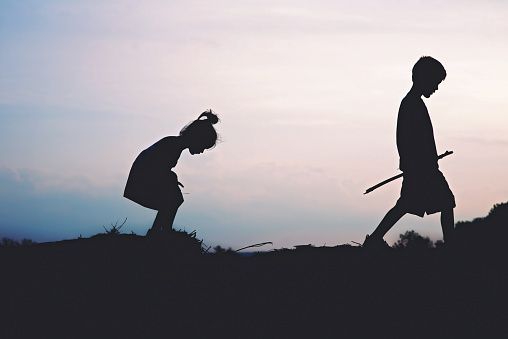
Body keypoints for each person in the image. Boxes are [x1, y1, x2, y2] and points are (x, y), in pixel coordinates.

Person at [364, 56, 456, 249]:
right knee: (443, 202)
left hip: (423, 167)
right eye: (435, 83)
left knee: (408, 204)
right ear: (423, 79)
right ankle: (452, 248)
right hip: (421, 168)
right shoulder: (411, 104)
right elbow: (405, 139)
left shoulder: (413, 103)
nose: (436, 88)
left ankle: (374, 239)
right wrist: (412, 163)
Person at [124, 110, 219, 236]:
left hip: (143, 178)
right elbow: (156, 167)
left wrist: (170, 178)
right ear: (197, 138)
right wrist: (170, 178)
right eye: (203, 146)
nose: (201, 151)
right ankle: (162, 231)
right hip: (141, 181)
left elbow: (160, 168)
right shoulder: (172, 145)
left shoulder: (173, 144)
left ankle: (159, 231)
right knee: (173, 199)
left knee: (172, 200)